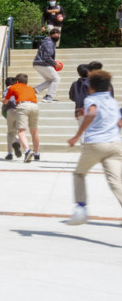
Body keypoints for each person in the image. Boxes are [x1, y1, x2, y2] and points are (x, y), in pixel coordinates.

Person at [63, 69, 122, 225]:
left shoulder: (91, 99)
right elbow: (120, 122)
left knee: (79, 174)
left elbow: (91, 113)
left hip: (96, 144)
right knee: (116, 182)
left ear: (91, 87)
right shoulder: (113, 102)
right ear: (108, 87)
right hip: (115, 144)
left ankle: (81, 209)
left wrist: (77, 136)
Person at [4, 74, 41, 162]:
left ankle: (27, 150)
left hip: (23, 105)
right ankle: (37, 153)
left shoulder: (13, 87)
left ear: (16, 81)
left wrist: (4, 101)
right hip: (35, 106)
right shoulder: (31, 88)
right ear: (26, 81)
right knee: (34, 131)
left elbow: (6, 100)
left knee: (21, 130)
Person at [33, 30, 61, 102]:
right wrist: (55, 63)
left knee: (50, 80)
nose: (56, 35)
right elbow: (47, 56)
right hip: (43, 63)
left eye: (58, 34)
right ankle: (49, 96)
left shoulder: (49, 42)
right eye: (54, 34)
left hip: (38, 63)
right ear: (50, 35)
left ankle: (33, 91)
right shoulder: (49, 42)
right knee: (56, 79)